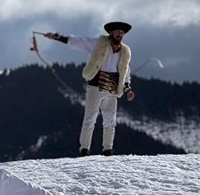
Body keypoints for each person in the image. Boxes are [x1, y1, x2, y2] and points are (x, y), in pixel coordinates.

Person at [44, 22, 135, 156]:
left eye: (122, 33)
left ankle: (108, 150)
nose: (119, 35)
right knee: (90, 118)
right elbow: (79, 42)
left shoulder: (125, 52)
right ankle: (84, 149)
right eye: (117, 32)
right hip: (95, 86)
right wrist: (58, 37)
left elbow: (125, 71)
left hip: (112, 89)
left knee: (110, 120)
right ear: (111, 33)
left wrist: (127, 89)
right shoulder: (100, 44)